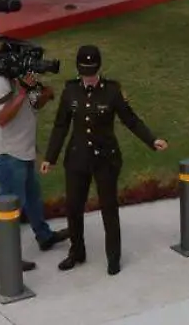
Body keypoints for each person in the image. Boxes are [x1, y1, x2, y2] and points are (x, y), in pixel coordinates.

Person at [42, 44, 167, 276]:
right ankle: (77, 252)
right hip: (77, 157)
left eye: (91, 73)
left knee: (108, 208)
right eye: (84, 74)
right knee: (73, 207)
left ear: (98, 69)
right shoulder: (71, 91)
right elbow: (61, 125)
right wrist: (50, 157)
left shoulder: (112, 91)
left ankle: (113, 256)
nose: (88, 79)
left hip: (105, 158)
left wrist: (152, 140)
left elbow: (130, 120)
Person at [0, 62, 68, 269]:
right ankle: (7, 259)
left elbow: (31, 104)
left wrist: (44, 95)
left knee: (33, 199)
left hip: (22, 153)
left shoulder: (15, 80)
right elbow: (2, 118)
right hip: (7, 155)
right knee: (11, 210)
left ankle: (44, 236)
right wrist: (22, 90)